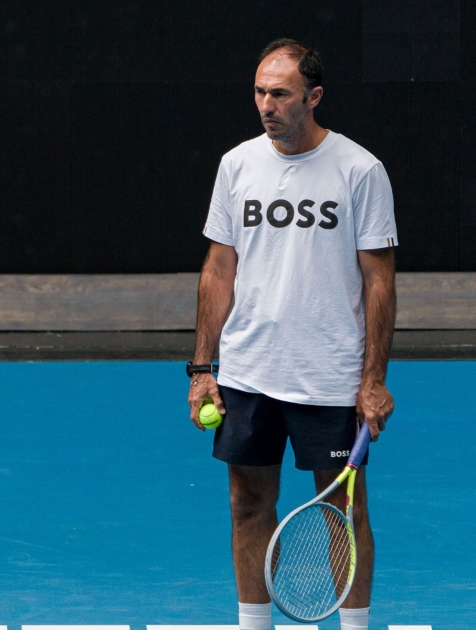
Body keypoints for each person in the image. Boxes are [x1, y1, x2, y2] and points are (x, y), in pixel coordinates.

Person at [187, 39, 396, 630]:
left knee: (341, 510)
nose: (266, 105)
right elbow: (219, 268)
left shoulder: (360, 170)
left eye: (280, 93)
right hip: (250, 372)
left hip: (329, 376)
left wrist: (373, 379)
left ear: (314, 96)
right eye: (259, 92)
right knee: (247, 504)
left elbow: (379, 281)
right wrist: (203, 369)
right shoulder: (238, 165)